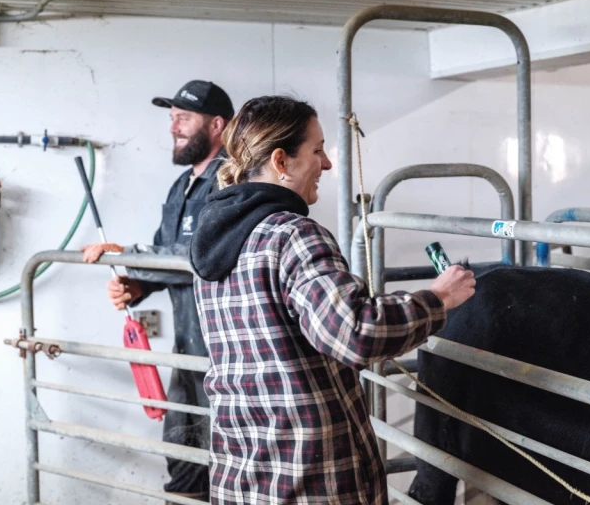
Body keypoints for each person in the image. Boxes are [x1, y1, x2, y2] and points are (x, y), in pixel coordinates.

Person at [189, 95, 476, 504]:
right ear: (281, 161)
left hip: (243, 472)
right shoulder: (293, 234)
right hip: (312, 479)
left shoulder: (213, 242)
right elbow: (355, 332)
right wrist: (438, 298)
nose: (326, 164)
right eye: (318, 150)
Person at [81, 80, 234, 503]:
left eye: (183, 118)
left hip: (225, 360)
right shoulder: (182, 185)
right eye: (171, 119)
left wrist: (127, 254)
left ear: (217, 125)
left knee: (226, 469)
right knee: (183, 464)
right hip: (188, 354)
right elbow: (166, 254)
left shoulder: (231, 182)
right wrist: (138, 285)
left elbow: (201, 255)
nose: (173, 128)